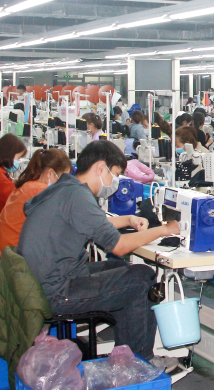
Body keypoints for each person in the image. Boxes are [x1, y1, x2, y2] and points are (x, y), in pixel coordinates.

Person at [19, 141, 179, 360]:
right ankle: (138, 364)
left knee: (119, 268)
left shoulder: (66, 188)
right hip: (56, 293)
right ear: (101, 168)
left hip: (42, 283)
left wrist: (128, 219)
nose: (114, 182)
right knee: (142, 279)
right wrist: (164, 230)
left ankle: (124, 354)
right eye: (115, 175)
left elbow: (91, 222)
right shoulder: (78, 196)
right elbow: (119, 246)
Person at [0, 149, 72, 251]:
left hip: (2, 245)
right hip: (13, 251)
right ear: (50, 173)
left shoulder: (27, 184)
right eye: (62, 178)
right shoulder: (40, 190)